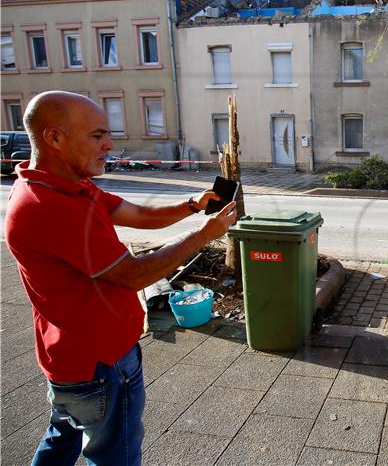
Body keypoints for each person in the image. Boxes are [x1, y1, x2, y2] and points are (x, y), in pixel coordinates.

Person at [4, 91, 238, 465]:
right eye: (97, 135)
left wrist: (193, 205)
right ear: (55, 137)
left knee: (62, 438)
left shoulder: (68, 186)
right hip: (100, 363)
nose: (109, 145)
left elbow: (139, 214)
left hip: (69, 358)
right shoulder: (52, 207)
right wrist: (205, 235)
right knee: (116, 455)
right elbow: (134, 274)